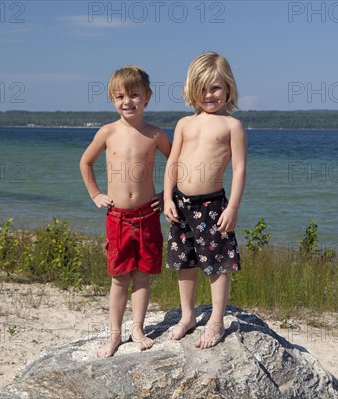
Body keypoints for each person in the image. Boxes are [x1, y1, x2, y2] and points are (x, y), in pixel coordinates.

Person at [79, 65, 171, 358]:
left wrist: (165, 195)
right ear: (112, 99)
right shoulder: (107, 132)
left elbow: (177, 164)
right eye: (120, 96)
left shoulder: (155, 134)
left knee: (143, 275)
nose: (127, 101)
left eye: (134, 95)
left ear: (148, 97)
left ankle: (138, 329)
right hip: (117, 216)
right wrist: (95, 194)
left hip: (147, 215)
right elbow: (86, 163)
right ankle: (115, 334)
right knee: (119, 278)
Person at [163, 52, 247, 349]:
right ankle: (187, 316)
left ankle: (216, 321)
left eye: (215, 88)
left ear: (228, 89)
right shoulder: (185, 123)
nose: (209, 95)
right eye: (203, 89)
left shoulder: (231, 126)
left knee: (217, 264)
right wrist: (166, 198)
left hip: (213, 206)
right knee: (184, 262)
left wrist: (233, 207)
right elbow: (172, 161)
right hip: (182, 205)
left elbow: (239, 170)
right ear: (191, 90)